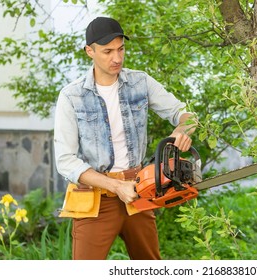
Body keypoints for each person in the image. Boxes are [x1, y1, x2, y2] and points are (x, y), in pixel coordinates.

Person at [53, 16, 195, 260]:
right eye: (107, 51)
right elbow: (66, 161)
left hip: (138, 191)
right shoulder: (71, 96)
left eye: (121, 49)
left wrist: (181, 130)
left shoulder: (140, 82)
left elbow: (186, 114)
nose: (116, 58)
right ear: (90, 51)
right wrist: (116, 186)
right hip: (95, 198)